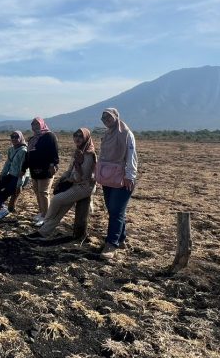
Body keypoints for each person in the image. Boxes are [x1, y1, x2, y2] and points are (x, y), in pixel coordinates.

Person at [28, 128, 96, 241]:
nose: (77, 138)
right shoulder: (78, 151)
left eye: (81, 136)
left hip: (84, 186)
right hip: (74, 184)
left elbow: (83, 177)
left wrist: (69, 179)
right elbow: (70, 169)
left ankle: (46, 219)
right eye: (76, 135)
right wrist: (63, 178)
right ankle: (43, 233)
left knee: (56, 200)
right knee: (60, 211)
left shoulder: (88, 154)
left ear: (86, 138)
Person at [96, 108, 138, 260]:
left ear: (116, 117)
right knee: (114, 210)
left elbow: (131, 156)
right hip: (108, 177)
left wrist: (130, 176)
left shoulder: (126, 134)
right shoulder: (107, 134)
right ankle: (121, 239)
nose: (105, 120)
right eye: (103, 118)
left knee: (116, 211)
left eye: (108, 117)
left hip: (122, 178)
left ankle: (111, 244)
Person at [25, 117, 59, 226]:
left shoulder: (49, 136)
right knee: (37, 192)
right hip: (34, 169)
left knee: (43, 192)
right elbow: (28, 155)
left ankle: (47, 217)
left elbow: (54, 151)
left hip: (46, 168)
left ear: (42, 124)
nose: (35, 126)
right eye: (33, 124)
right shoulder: (32, 139)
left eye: (37, 124)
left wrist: (53, 164)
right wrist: (24, 167)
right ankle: (42, 212)